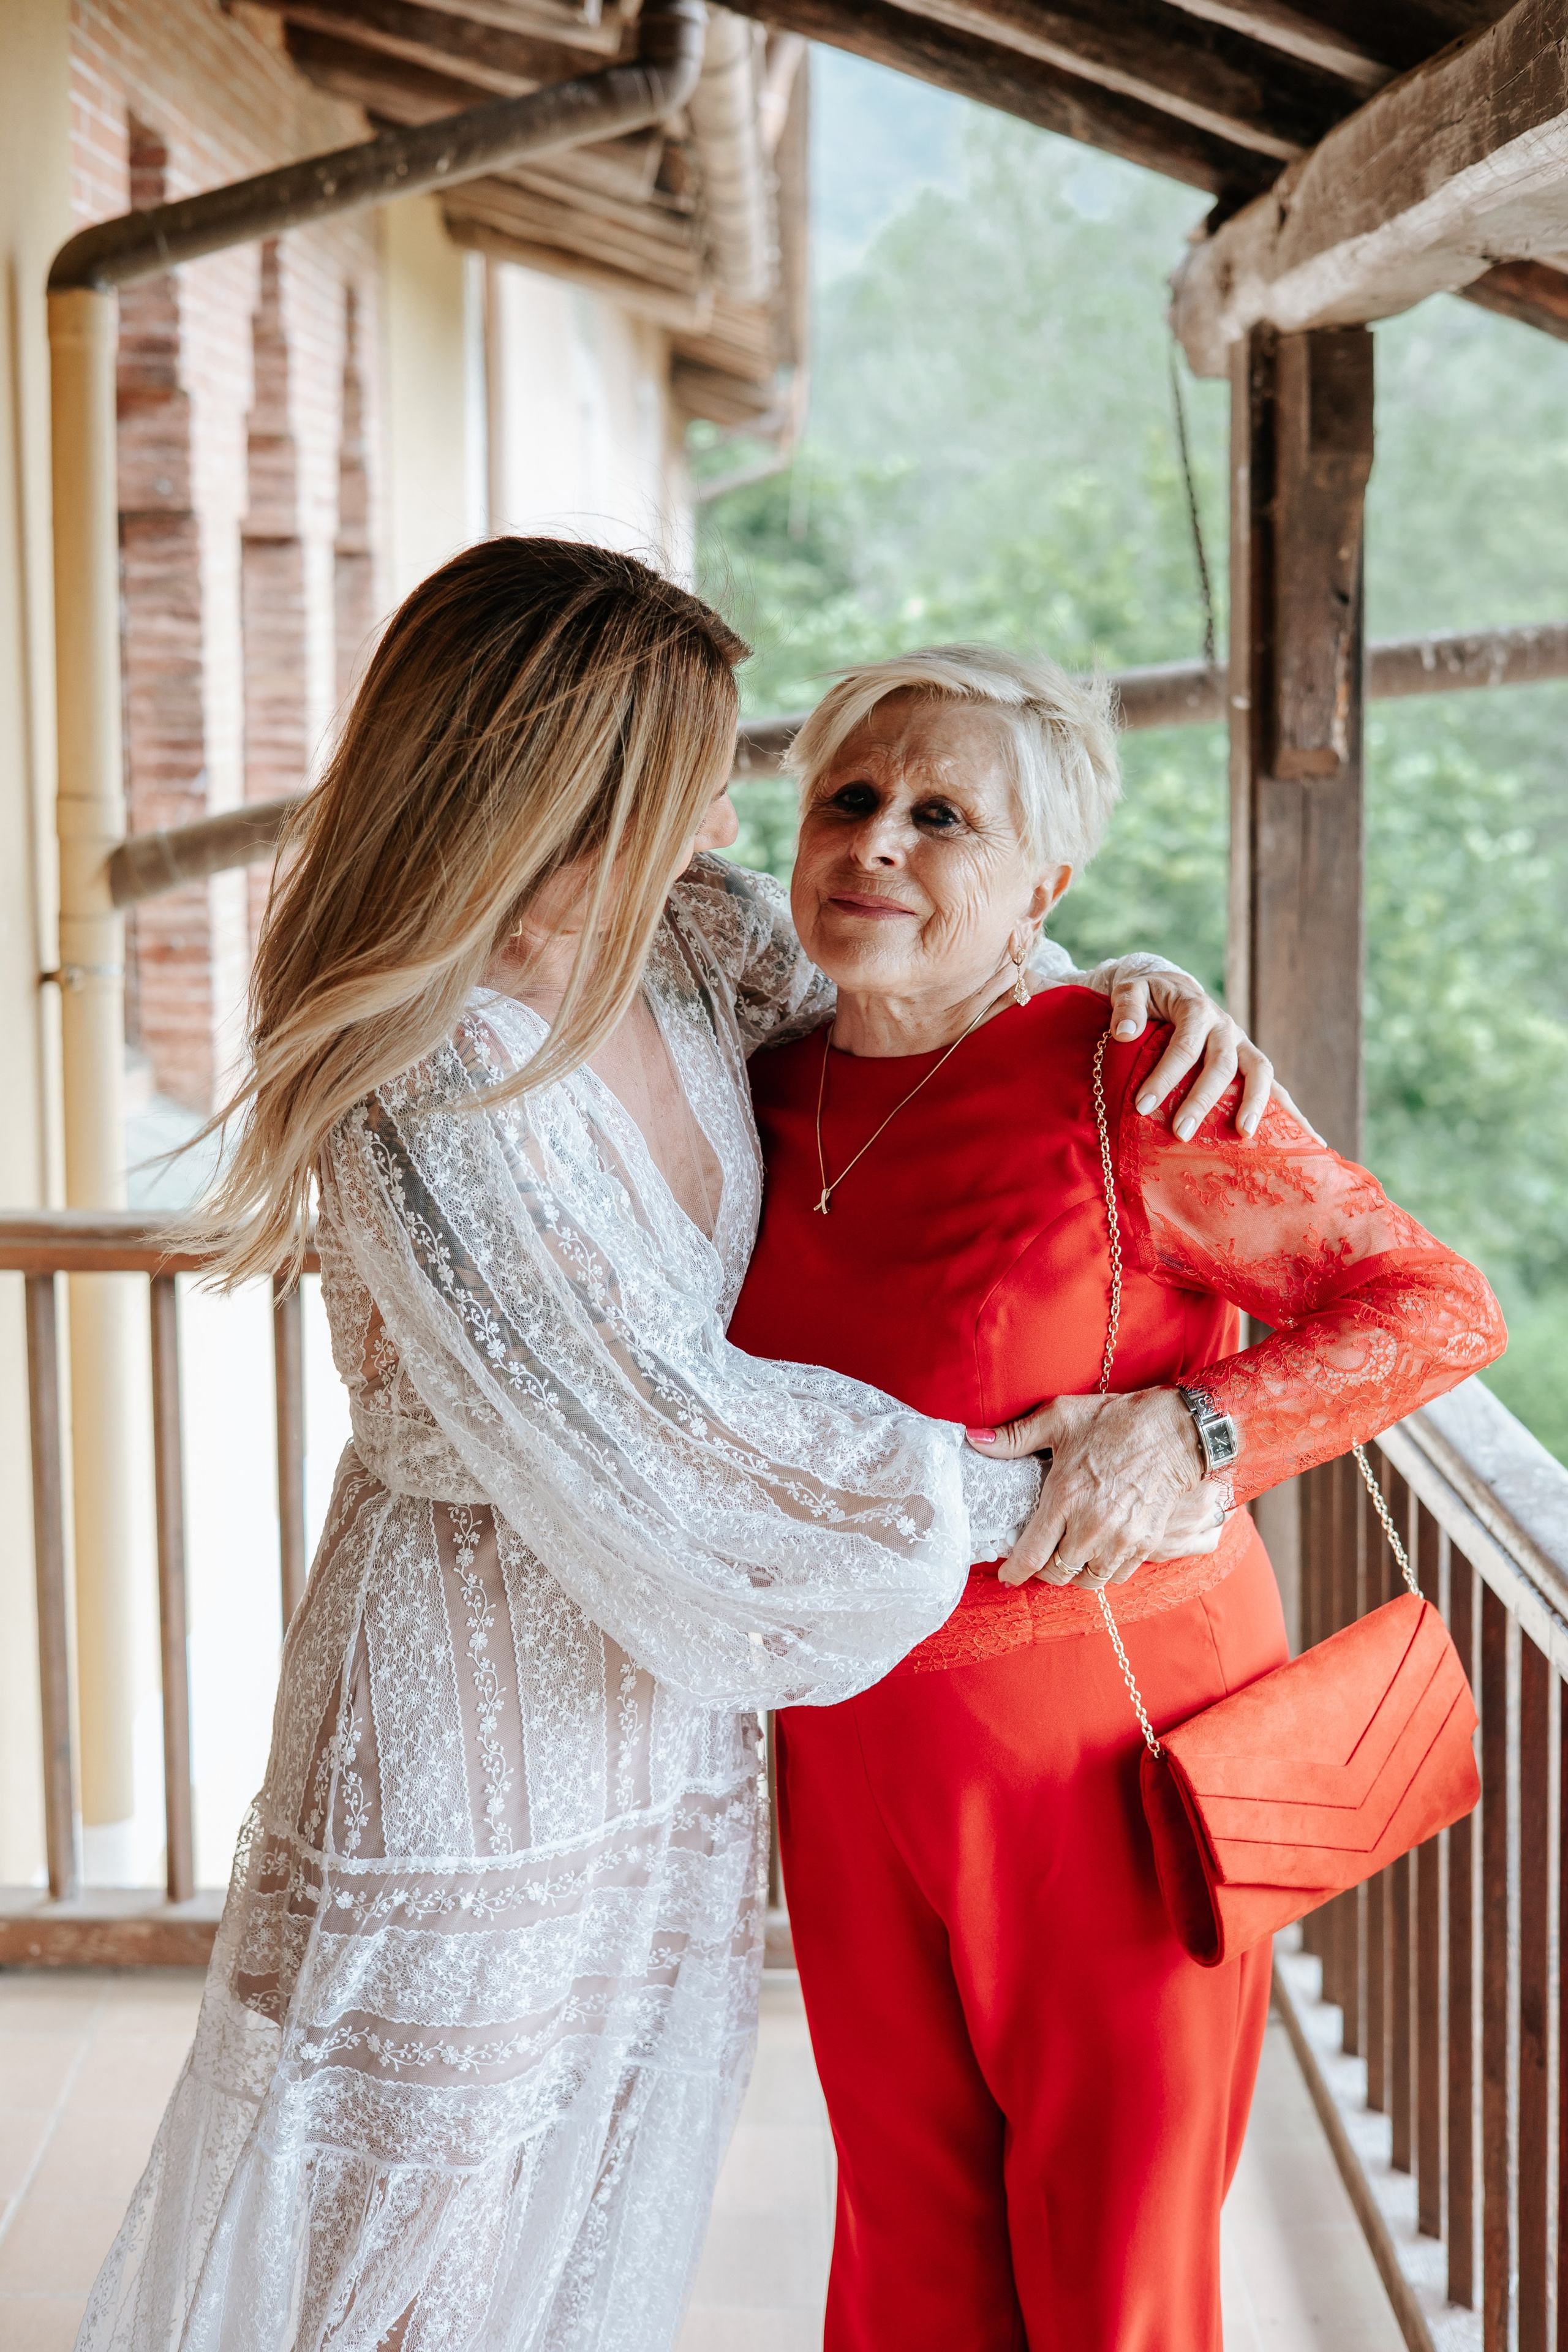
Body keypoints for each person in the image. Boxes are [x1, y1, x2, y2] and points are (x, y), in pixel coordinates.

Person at [77, 546, 1270, 2352]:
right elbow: (662, 1430)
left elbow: (929, 990)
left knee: (595, 2198)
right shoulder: (420, 1060)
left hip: (671, 1703)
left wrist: (1125, 986)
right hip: (483, 1711)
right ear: (577, 774)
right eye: (704, 763)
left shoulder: (691, 948)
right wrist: (1064, 1483)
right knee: (413, 2221)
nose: (741, 805)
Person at [726, 644, 1507, 2352]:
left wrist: (1200, 1436)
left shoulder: (1131, 1081)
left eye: (945, 816)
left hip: (1114, 1769)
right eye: (851, 799)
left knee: (1111, 2285)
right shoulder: (758, 1093)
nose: (877, 842)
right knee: (909, 2261)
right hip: (851, 1761)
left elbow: (1436, 1307)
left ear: (1043, 887)